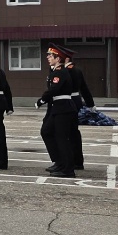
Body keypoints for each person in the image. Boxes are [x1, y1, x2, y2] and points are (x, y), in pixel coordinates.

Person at [37, 44, 77, 178]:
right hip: (57, 107)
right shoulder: (55, 71)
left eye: (51, 56)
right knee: (46, 131)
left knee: (62, 138)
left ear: (58, 58)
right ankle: (59, 161)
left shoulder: (60, 72)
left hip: (63, 108)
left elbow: (54, 89)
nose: (48, 57)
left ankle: (68, 169)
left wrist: (41, 100)